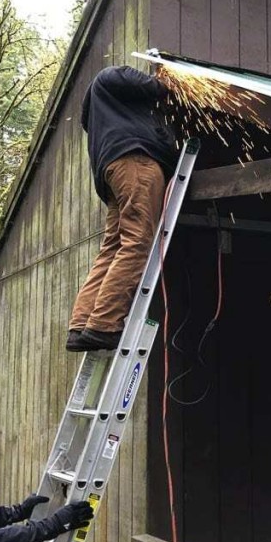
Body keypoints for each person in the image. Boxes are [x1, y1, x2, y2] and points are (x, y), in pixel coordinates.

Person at [67, 64, 176, 352]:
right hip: (135, 163)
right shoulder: (111, 75)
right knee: (138, 241)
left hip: (113, 172)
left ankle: (82, 324)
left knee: (114, 246)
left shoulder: (99, 111)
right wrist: (167, 77)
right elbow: (158, 87)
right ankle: (104, 324)